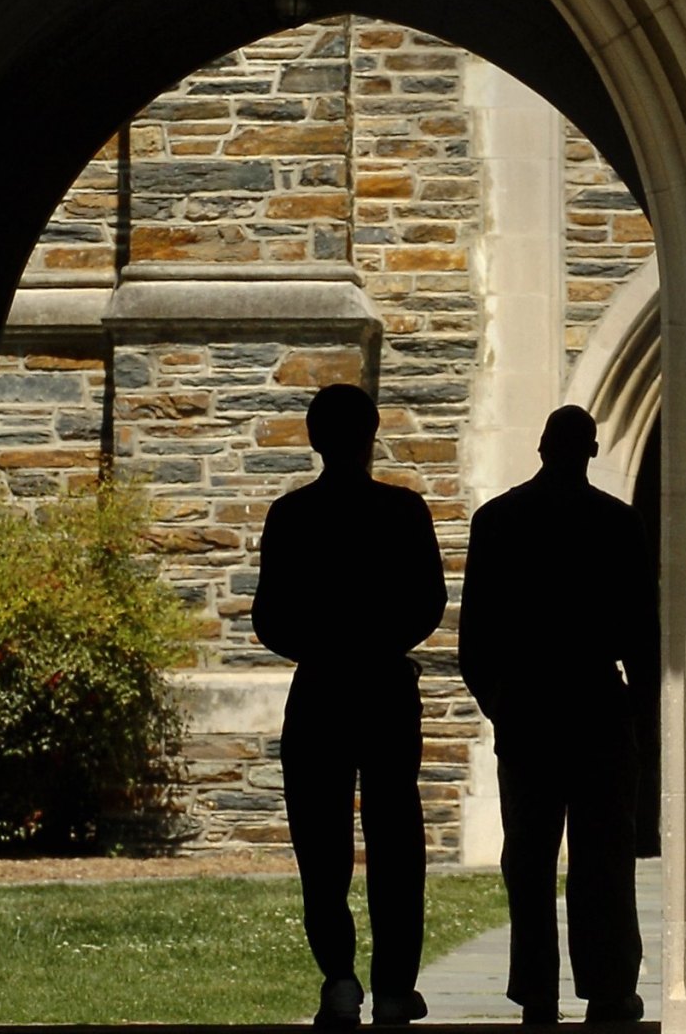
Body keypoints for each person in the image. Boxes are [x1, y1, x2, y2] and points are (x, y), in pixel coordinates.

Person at [254, 383, 449, 1029]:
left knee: (321, 842)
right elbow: (427, 603)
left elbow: (269, 619)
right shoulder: (404, 512)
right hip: (385, 690)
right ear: (372, 435)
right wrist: (377, 641)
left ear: (314, 439)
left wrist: (326, 645)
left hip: (321, 689)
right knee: (396, 838)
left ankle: (339, 977)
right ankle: (396, 985)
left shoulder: (292, 516)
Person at [459, 406, 657, 1026]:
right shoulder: (619, 525)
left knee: (530, 859)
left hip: (531, 709)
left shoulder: (498, 522)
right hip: (594, 705)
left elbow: (474, 644)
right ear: (591, 451)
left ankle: (538, 989)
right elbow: (643, 640)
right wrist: (638, 719)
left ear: (541, 447)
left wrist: (505, 706)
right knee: (603, 859)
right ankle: (608, 985)